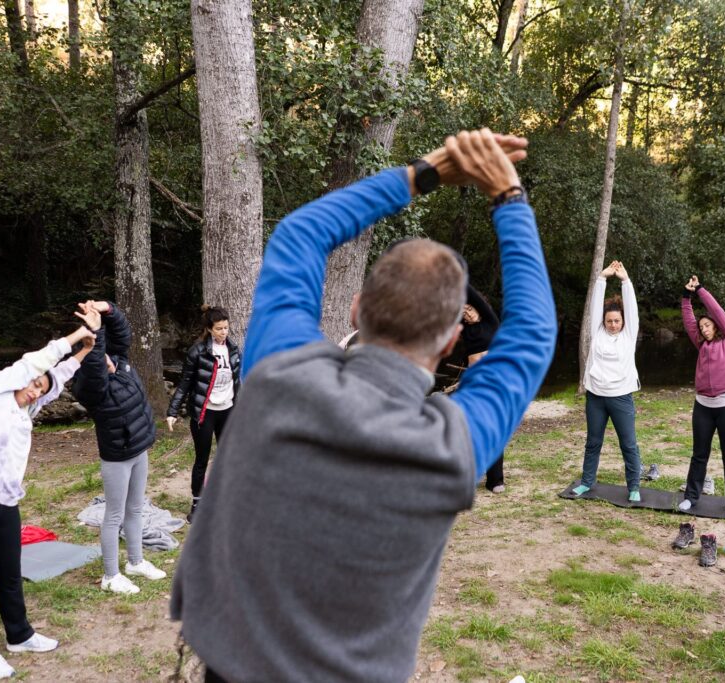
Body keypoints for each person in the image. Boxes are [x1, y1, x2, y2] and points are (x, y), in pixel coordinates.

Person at [170, 129, 556, 683]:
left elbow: (301, 233)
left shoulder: (278, 373)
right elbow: (534, 332)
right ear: (452, 342)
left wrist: (424, 174)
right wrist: (509, 198)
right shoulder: (452, 447)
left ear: (355, 310)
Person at [0, 324, 94, 680]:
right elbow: (38, 363)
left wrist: (85, 351)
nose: (33, 390)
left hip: (5, 506)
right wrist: (78, 334)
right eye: (31, 383)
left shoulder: (26, 410)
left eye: (39, 387)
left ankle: (19, 635)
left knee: (10, 576)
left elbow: (55, 378)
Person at [72, 300, 166, 595]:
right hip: (117, 459)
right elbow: (95, 360)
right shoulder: (94, 391)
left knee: (135, 508)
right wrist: (93, 333)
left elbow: (122, 335)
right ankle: (111, 575)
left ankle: (135, 562)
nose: (109, 361)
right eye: (102, 361)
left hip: (140, 450)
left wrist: (108, 310)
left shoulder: (121, 364)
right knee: (114, 515)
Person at [565, 260, 647, 502]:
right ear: (603, 321)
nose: (613, 324)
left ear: (623, 322)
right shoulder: (597, 332)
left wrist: (625, 281)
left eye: (617, 321)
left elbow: (631, 309)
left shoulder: (629, 334)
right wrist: (602, 278)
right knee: (593, 442)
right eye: (609, 321)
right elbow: (593, 308)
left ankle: (634, 487)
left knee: (629, 445)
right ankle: (587, 482)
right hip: (596, 397)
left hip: (621, 396)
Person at [166, 305, 242, 522]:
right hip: (205, 413)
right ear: (209, 329)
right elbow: (184, 384)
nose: (223, 332)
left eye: (226, 328)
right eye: (219, 329)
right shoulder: (197, 352)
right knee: (202, 459)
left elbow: (238, 382)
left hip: (227, 411)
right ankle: (197, 504)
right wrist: (173, 411)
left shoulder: (234, 350)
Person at [678, 276, 725, 516]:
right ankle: (691, 497)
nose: (704, 329)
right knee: (699, 455)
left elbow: (717, 311)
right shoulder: (702, 344)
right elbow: (688, 322)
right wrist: (686, 297)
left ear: (717, 325)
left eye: (708, 325)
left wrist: (701, 291)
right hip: (703, 407)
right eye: (702, 326)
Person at [462, 284, 506, 492]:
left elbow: (476, 299)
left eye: (470, 309)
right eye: (464, 312)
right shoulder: (464, 331)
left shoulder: (491, 322)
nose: (467, 314)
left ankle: (495, 480)